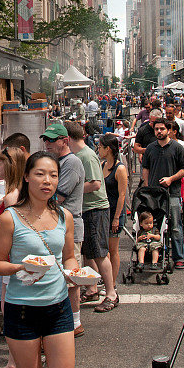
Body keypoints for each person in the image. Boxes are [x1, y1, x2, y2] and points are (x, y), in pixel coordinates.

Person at [0, 151, 78, 368]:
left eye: (53, 175)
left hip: (59, 308)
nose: (47, 181)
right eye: (40, 174)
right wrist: (20, 268)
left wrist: (74, 273)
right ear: (27, 176)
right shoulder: (9, 218)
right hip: (21, 310)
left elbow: (69, 257)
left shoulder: (65, 216)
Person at [64, 122, 118, 313]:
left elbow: (95, 183)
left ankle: (111, 293)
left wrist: (73, 189)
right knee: (88, 252)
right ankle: (92, 289)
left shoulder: (86, 156)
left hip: (96, 208)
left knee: (99, 252)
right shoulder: (78, 155)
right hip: (85, 209)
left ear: (67, 138)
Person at [41, 123, 85, 337]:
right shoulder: (58, 162)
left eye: (52, 140)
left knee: (71, 277)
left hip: (70, 225)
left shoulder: (72, 163)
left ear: (65, 140)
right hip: (57, 225)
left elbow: (58, 197)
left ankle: (75, 322)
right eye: (45, 139)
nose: (47, 144)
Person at [0, 146, 27, 368]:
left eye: (0, 163)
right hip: (15, 258)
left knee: (10, 310)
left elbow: (14, 232)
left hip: (12, 259)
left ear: (9, 166)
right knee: (11, 310)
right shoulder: (17, 192)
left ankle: (16, 364)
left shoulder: (12, 195)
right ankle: (15, 362)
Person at [142, 119, 184, 269]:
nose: (159, 131)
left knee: (175, 226)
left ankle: (179, 257)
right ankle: (156, 254)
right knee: (154, 225)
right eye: (156, 129)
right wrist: (146, 186)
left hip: (172, 193)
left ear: (168, 130)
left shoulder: (177, 147)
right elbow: (146, 168)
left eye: (162, 129)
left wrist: (171, 179)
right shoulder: (150, 148)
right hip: (154, 194)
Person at [97, 134, 128, 289]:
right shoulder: (102, 165)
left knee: (113, 249)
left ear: (107, 148)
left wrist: (116, 217)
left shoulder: (120, 168)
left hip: (115, 212)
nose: (98, 150)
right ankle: (107, 279)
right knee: (104, 249)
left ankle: (113, 283)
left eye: (100, 147)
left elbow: (122, 195)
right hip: (103, 212)